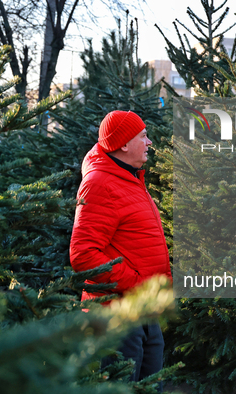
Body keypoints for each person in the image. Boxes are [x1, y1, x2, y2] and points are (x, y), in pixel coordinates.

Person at [69, 110, 172, 383]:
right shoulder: (100, 183)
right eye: (143, 136)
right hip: (118, 316)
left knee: (151, 388)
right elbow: (83, 256)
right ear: (124, 144)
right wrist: (138, 285)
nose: (149, 142)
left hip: (144, 312)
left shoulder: (131, 178)